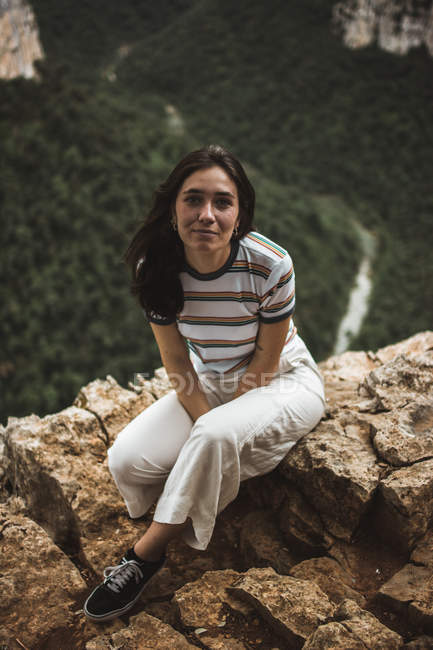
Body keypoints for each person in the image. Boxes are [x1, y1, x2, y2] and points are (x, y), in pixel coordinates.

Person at [83, 144, 326, 622]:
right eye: (193, 199)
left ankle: (144, 556)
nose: (206, 215)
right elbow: (177, 364)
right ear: (173, 208)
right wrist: (209, 422)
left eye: (223, 202)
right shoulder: (155, 268)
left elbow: (264, 362)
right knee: (127, 462)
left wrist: (212, 431)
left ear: (241, 213)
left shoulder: (269, 265)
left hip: (282, 381)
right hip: (211, 378)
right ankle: (202, 479)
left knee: (214, 437)